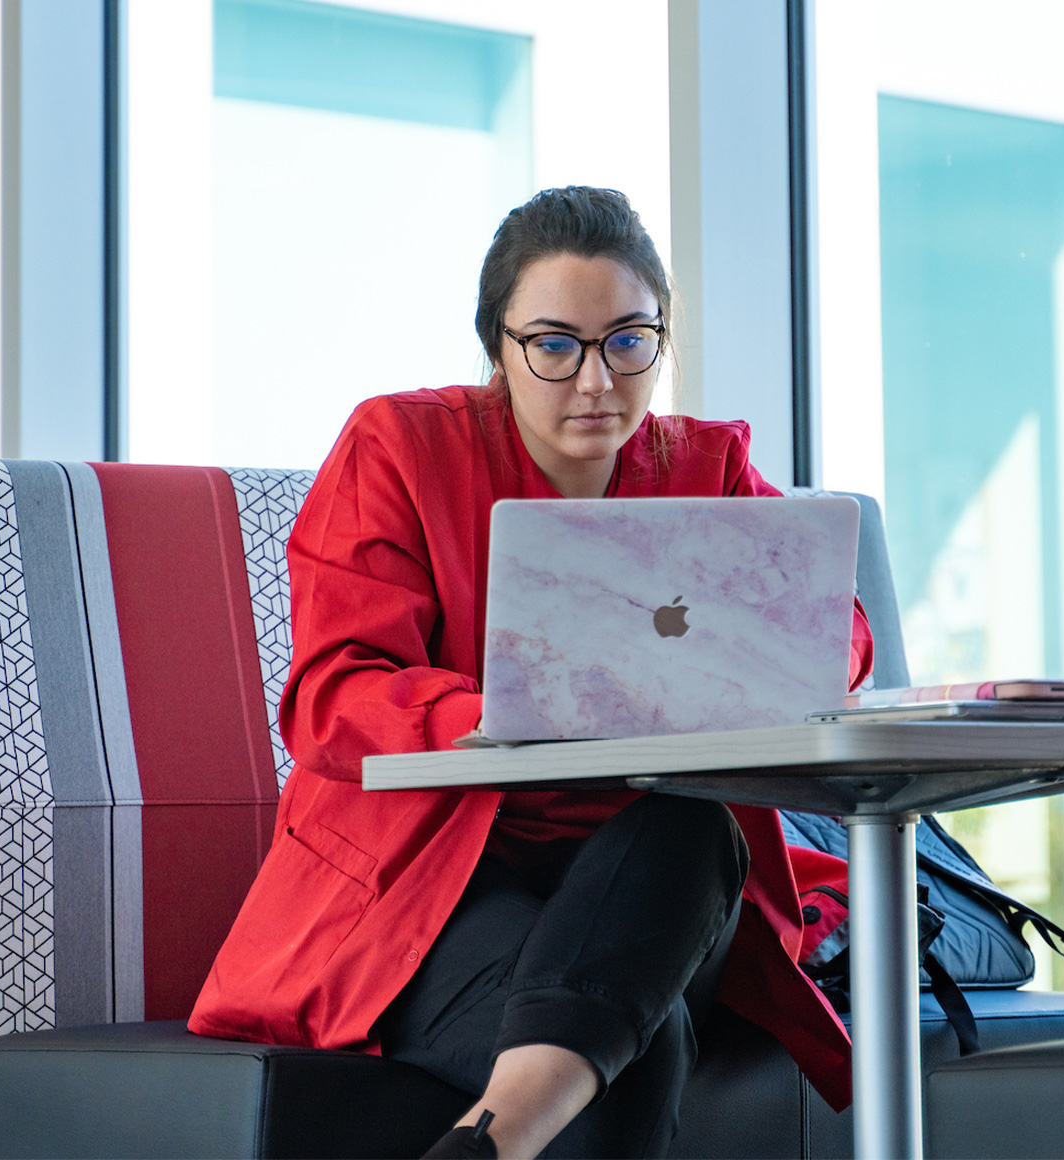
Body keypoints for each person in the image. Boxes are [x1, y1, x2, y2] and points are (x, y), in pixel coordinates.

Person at [188, 186, 873, 1159]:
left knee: (691, 824)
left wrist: (762, 657)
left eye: (627, 341)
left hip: (651, 883)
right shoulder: (399, 445)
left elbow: (830, 629)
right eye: (553, 345)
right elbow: (331, 695)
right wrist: (511, 708)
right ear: (496, 344)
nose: (594, 380)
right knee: (637, 1046)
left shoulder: (704, 464)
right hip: (433, 880)